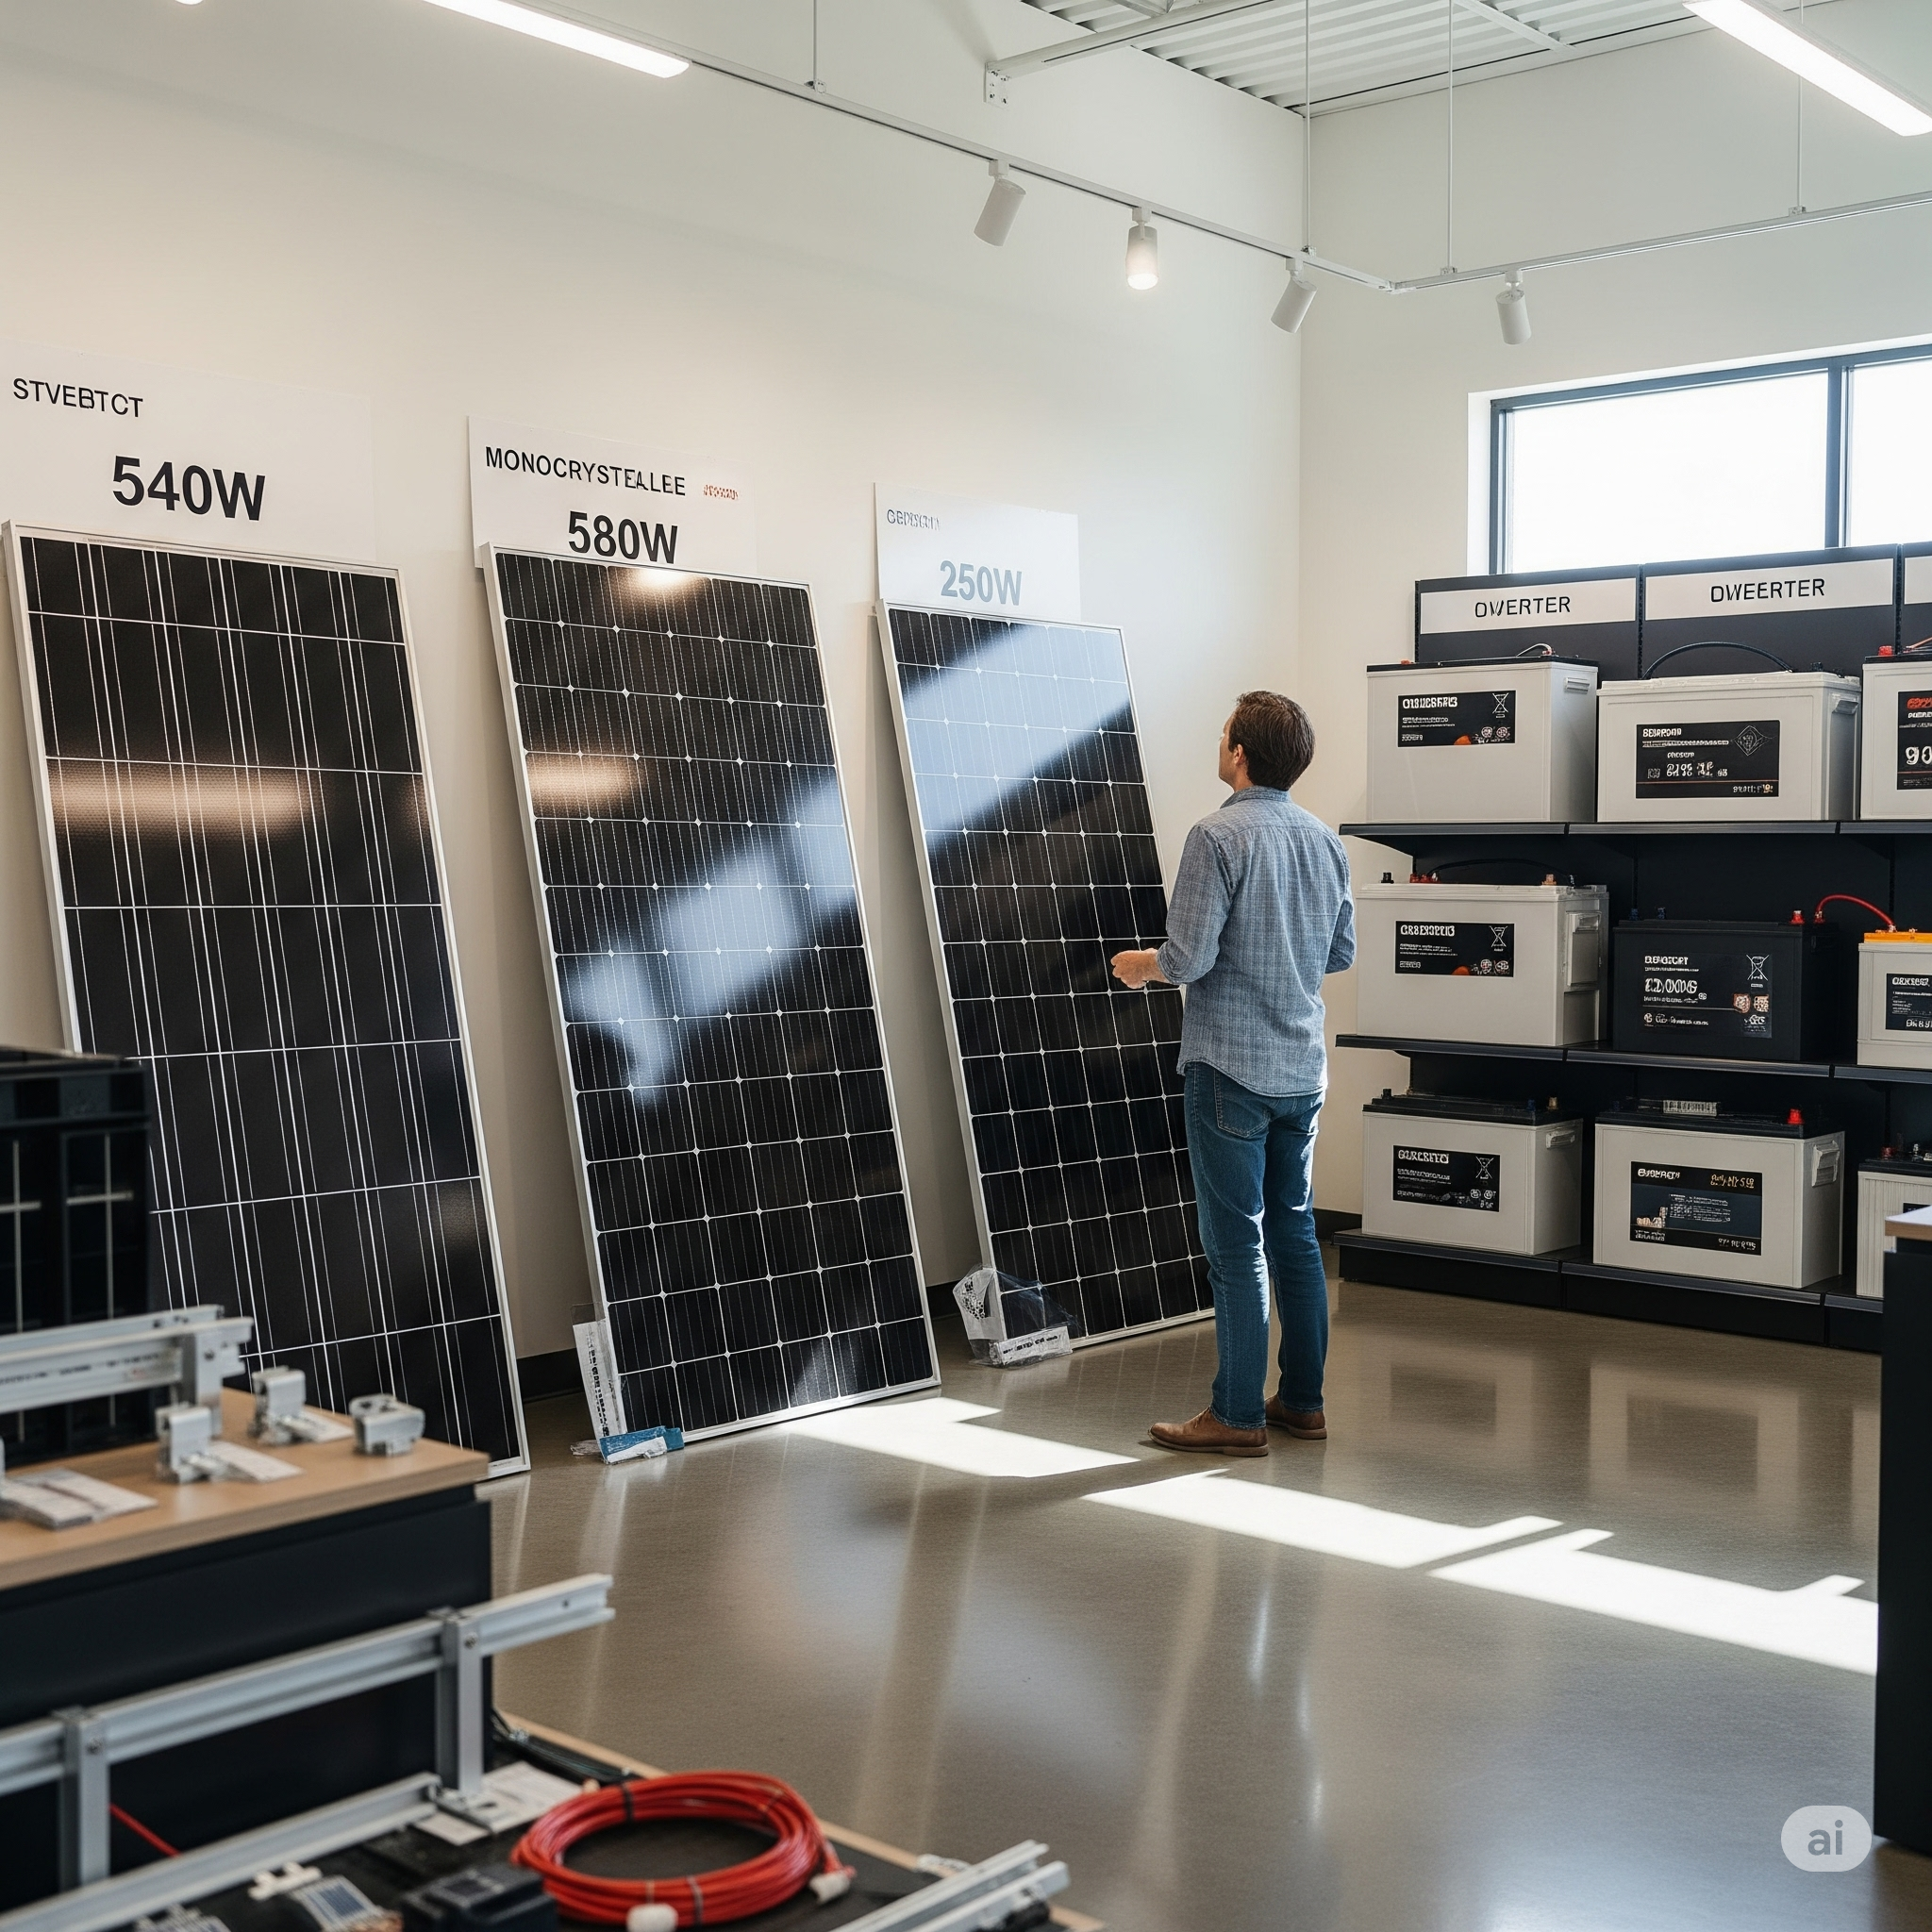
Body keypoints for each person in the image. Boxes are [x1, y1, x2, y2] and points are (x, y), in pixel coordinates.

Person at [1110, 691, 1355, 1457]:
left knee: (1236, 1247)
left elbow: (1188, 959)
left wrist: (1141, 965)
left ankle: (1237, 1415)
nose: (1220, 744)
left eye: (1224, 736)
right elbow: (1341, 952)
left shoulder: (1215, 836)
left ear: (1240, 754)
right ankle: (1303, 1404)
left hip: (1229, 1069)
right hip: (1301, 1071)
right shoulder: (1325, 842)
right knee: (1296, 1238)